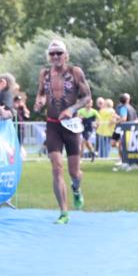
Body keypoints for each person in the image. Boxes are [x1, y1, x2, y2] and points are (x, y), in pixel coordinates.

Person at [33, 39, 92, 224]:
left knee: (74, 172)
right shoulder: (44, 74)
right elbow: (41, 92)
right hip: (52, 125)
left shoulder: (75, 72)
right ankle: (63, 212)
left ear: (66, 55)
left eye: (59, 53)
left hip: (72, 125)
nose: (56, 57)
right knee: (57, 168)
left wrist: (72, 109)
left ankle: (76, 189)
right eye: (52, 54)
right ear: (48, 57)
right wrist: (39, 101)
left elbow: (87, 97)